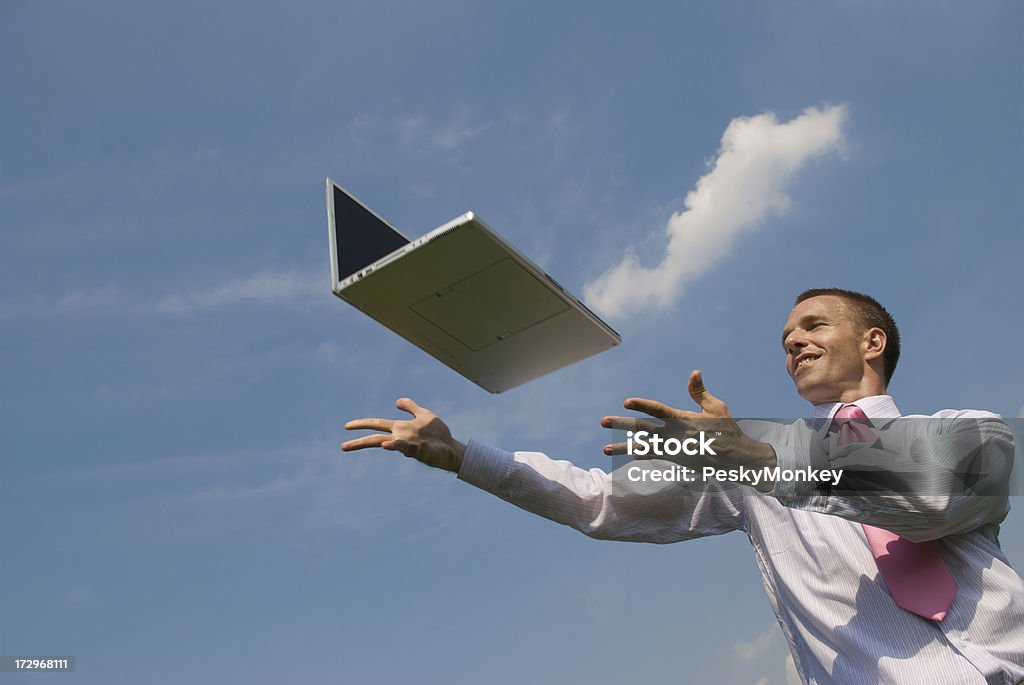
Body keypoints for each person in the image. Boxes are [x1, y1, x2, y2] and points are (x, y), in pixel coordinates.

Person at [342, 288, 1024, 683]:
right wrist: (466, 455)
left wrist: (758, 458)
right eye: (785, 336)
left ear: (873, 342)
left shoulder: (969, 430)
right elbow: (599, 499)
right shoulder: (745, 467)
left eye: (813, 325)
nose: (792, 341)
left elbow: (926, 500)